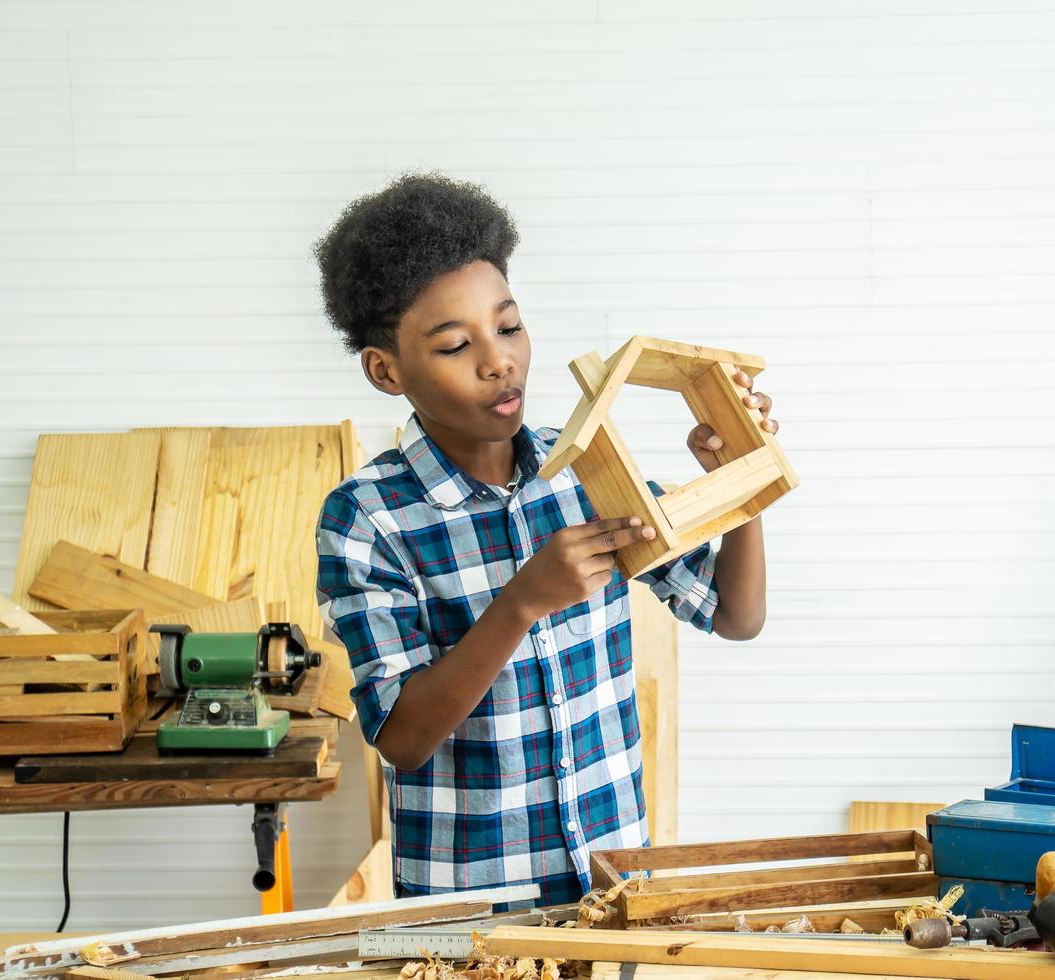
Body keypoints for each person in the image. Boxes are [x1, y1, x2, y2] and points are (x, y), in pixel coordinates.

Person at [313, 173, 777, 905]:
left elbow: (734, 615)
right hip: (472, 910)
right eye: (455, 344)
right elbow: (400, 737)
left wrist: (738, 483)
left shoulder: (586, 473)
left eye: (508, 326)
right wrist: (521, 603)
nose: (497, 360)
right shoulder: (369, 519)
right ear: (386, 370)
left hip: (614, 887)